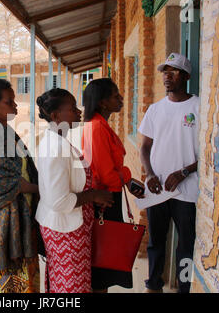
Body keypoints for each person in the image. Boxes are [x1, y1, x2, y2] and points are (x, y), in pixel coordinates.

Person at [35, 88, 115, 293]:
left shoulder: (59, 141)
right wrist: (94, 195)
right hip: (65, 231)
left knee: (69, 285)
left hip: (72, 227)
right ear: (55, 116)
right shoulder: (56, 148)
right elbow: (59, 201)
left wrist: (91, 195)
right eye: (72, 109)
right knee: (71, 287)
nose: (79, 112)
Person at [138, 53, 199, 293]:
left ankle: (184, 287)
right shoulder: (155, 109)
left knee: (186, 245)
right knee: (156, 243)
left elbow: (208, 151)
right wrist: (150, 174)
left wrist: (185, 171)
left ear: (185, 76)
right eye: (165, 71)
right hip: (158, 187)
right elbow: (144, 147)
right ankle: (153, 286)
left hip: (188, 191)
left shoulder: (198, 106)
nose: (167, 76)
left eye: (173, 71)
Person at [0, 78, 40, 293]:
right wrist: (41, 189)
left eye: (13, 101)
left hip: (17, 213)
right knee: (4, 280)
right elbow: (8, 181)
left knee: (21, 277)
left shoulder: (5, 131)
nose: (15, 105)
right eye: (9, 102)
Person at [82, 78, 145, 293]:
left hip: (109, 198)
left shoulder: (100, 125)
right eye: (115, 96)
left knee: (106, 261)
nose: (121, 99)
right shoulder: (97, 127)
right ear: (102, 102)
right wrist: (126, 175)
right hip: (106, 200)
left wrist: (125, 177)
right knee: (102, 265)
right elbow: (107, 174)